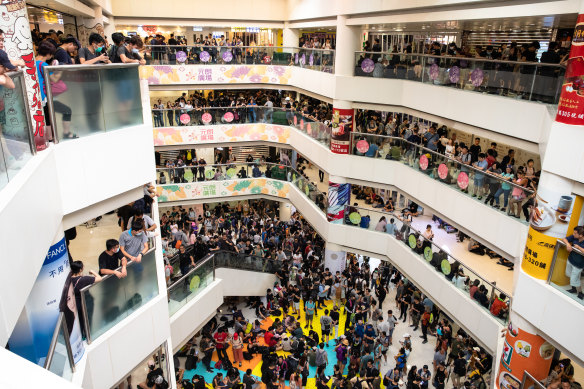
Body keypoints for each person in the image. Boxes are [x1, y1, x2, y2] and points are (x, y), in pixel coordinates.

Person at [70, 260, 102, 337]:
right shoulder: (84, 279)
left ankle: (81, 336)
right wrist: (92, 272)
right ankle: (87, 335)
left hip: (74, 304)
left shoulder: (69, 280)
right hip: (84, 303)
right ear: (80, 269)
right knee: (87, 319)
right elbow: (99, 278)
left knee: (78, 321)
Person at [562, 226, 584, 299]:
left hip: (578, 265)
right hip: (571, 260)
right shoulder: (574, 237)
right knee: (569, 274)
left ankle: (580, 292)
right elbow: (564, 239)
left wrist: (579, 248)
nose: (573, 234)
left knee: (574, 279)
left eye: (575, 233)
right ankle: (573, 289)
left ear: (581, 235)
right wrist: (568, 244)